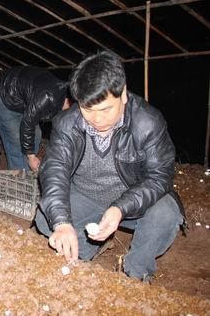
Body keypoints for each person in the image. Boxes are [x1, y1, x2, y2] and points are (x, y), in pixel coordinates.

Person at [34, 50, 185, 282]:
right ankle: (82, 253)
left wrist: (119, 208)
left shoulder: (148, 122)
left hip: (131, 201)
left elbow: (159, 177)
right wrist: (63, 223)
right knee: (48, 217)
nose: (97, 119)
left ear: (122, 94)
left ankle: (135, 270)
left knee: (166, 213)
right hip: (87, 196)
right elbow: (54, 170)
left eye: (105, 109)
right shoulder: (66, 122)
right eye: (87, 110)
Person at [0, 66, 70, 172]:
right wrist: (31, 157)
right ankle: (18, 178)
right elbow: (27, 123)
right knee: (16, 138)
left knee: (36, 134)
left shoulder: (63, 93)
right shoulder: (47, 97)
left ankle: (26, 170)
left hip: (21, 99)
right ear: (69, 101)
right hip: (1, 93)